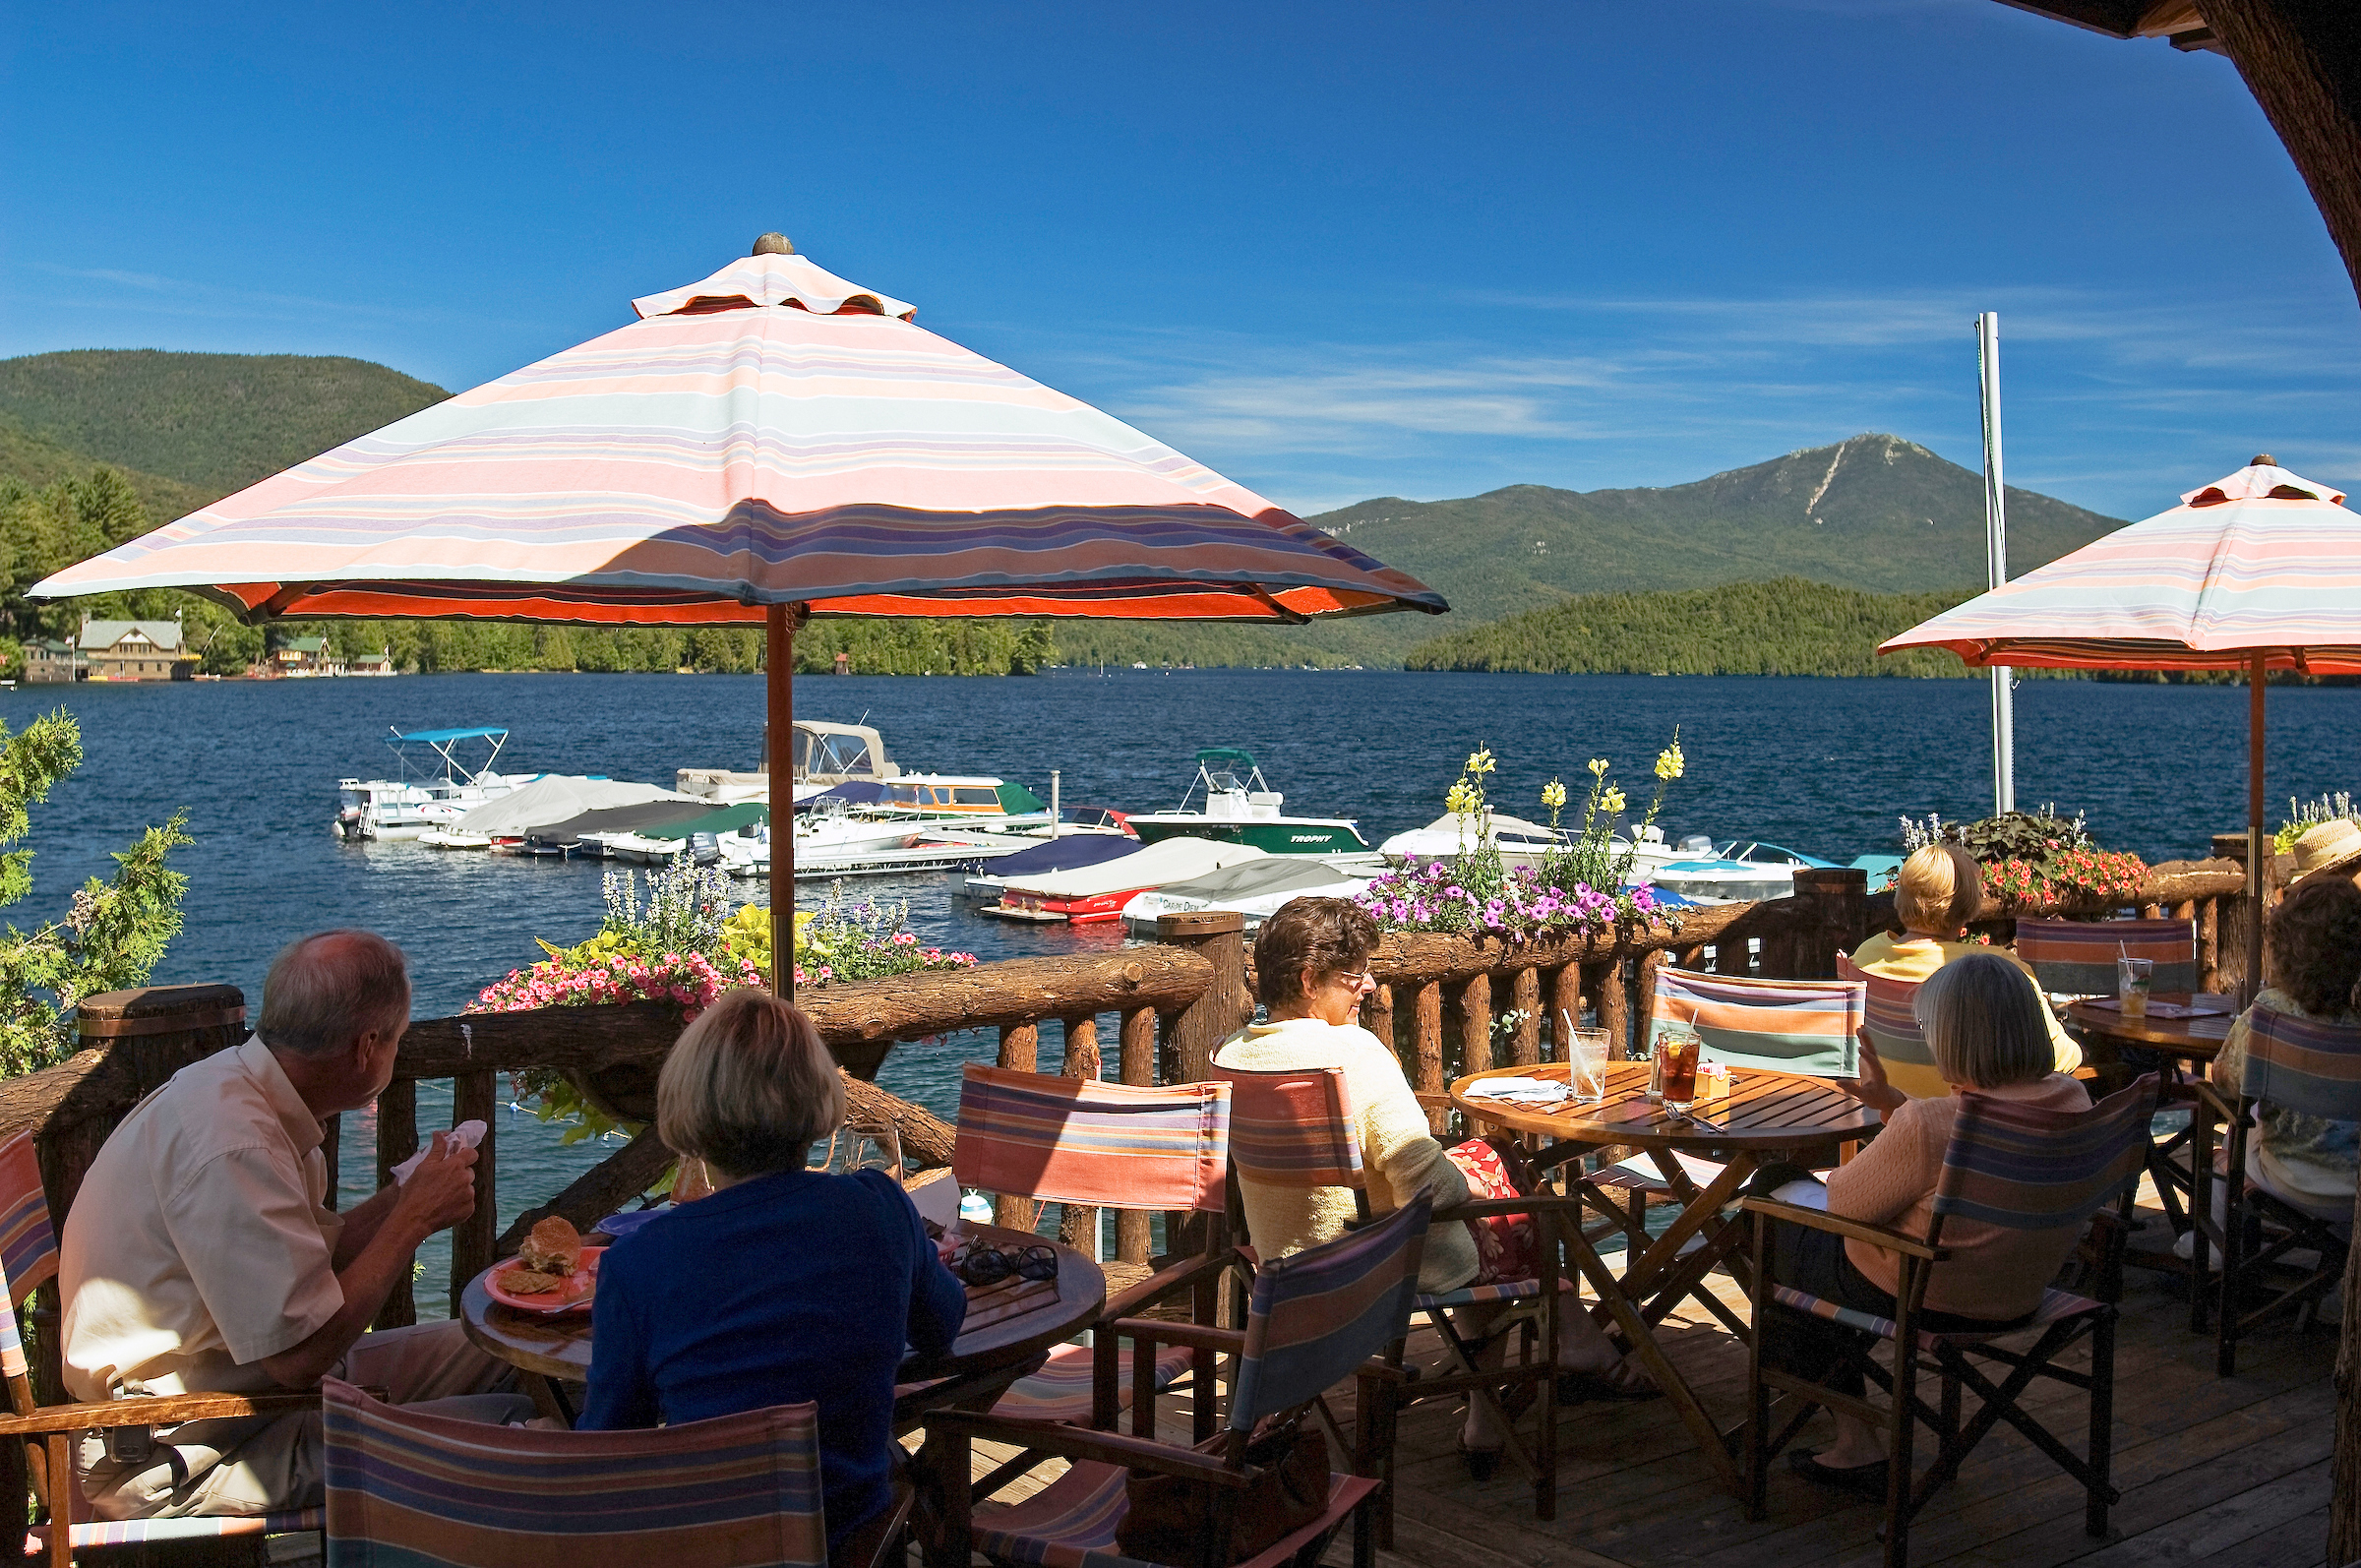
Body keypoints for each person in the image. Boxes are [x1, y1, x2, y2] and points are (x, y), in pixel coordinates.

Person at [60, 930, 531, 1521]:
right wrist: (411, 1220)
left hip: (239, 1405)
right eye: (396, 1041)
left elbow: (316, 1264)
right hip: (169, 1453)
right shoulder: (236, 1141)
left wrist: (401, 1199)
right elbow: (301, 1355)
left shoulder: (245, 1094)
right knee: (518, 1432)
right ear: (366, 1049)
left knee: (513, 1353)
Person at [1211, 896, 1651, 1476]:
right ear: (1309, 980)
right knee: (1509, 1178)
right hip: (1376, 1266)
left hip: (1287, 1262)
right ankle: (1560, 1337)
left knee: (1489, 1181)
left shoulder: (1233, 1053)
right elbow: (1430, 1187)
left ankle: (1502, 1399)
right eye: (1354, 976)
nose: (1367, 986)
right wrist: (1479, 1176)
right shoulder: (1354, 1054)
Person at [579, 989, 965, 1555]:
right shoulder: (879, 1208)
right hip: (851, 1538)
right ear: (817, 1091)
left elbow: (611, 1447)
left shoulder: (641, 1260)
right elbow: (943, 1323)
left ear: (689, 1103)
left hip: (707, 1547)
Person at [1761, 951, 2091, 1494]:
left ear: (1956, 1038)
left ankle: (1853, 1439)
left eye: (1928, 1026)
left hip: (1927, 1293)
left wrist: (1897, 1120)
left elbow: (1844, 1207)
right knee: (1803, 1247)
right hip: (2019, 1288)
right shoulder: (2070, 1099)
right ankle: (1829, 1400)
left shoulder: (1932, 1124)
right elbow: (1959, 1142)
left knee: (1772, 1220)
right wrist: (1891, 1102)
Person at [1847, 843, 2082, 1087]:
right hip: (1968, 1114)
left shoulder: (1867, 954)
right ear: (1965, 906)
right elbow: (2053, 1056)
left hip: (1887, 1111)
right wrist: (2082, 1050)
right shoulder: (1997, 969)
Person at [2206, 875, 2361, 1226]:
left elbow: (2225, 1079)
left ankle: (2217, 1252)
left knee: (2233, 1135)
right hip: (2353, 1187)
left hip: (2285, 1177)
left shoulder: (2268, 1013)